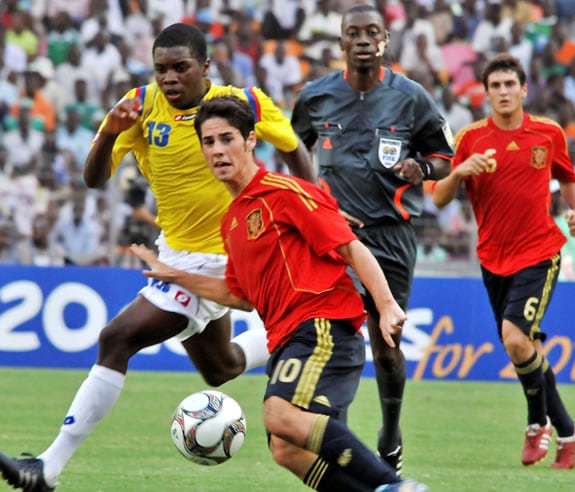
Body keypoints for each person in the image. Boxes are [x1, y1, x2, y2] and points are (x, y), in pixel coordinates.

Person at [0, 23, 315, 492]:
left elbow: (293, 150)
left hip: (222, 259)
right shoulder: (139, 106)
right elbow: (94, 178)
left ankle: (48, 467)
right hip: (177, 253)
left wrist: (310, 210)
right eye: (161, 68)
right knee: (220, 368)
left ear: (205, 67)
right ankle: (276, 333)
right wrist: (110, 134)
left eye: (181, 67)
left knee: (117, 337)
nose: (169, 78)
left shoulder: (242, 102)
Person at [130, 94, 427, 492]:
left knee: (280, 416)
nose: (218, 150)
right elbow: (240, 295)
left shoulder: (284, 192)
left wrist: (387, 305)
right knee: (287, 449)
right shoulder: (232, 221)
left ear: (251, 140)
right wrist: (176, 274)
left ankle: (394, 485)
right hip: (288, 338)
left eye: (227, 139)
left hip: (322, 326)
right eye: (209, 142)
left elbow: (350, 247)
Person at [290, 3, 454, 478]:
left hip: (391, 236)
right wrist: (312, 203)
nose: (363, 40)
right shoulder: (314, 97)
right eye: (353, 33)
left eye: (372, 33)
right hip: (334, 238)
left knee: (385, 344)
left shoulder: (412, 97)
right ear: (341, 42)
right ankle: (333, 432)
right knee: (338, 338)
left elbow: (444, 155)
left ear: (385, 41)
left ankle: (390, 432)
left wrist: (421, 168)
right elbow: (292, 149)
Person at [432, 54, 575, 469]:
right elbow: (438, 197)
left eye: (508, 84)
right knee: (527, 347)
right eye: (494, 86)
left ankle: (537, 424)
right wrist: (459, 172)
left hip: (539, 251)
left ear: (523, 90)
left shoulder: (548, 133)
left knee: (516, 339)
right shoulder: (470, 139)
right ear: (486, 93)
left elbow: (569, 178)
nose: (502, 92)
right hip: (492, 258)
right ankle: (569, 432)